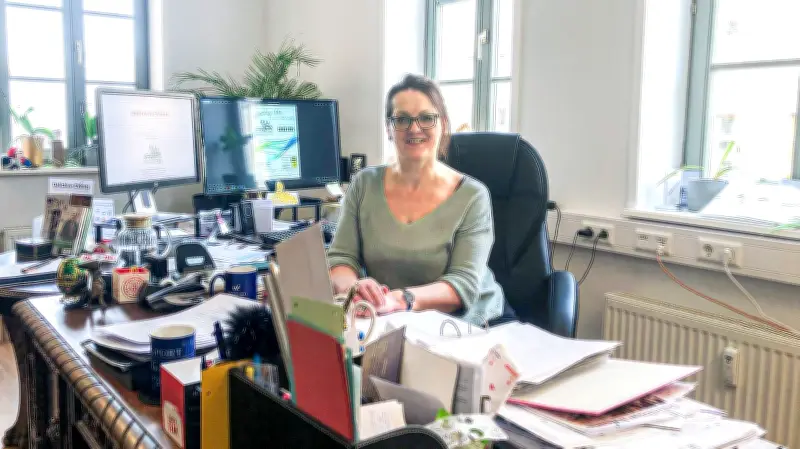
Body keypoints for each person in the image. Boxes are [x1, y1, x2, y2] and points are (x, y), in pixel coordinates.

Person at [328, 74, 513, 326]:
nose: (414, 128)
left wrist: (400, 299)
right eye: (402, 119)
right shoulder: (363, 185)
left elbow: (463, 284)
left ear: (443, 124)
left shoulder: (472, 196)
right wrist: (354, 290)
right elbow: (341, 258)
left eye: (426, 118)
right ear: (389, 128)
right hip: (391, 318)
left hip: (470, 321)